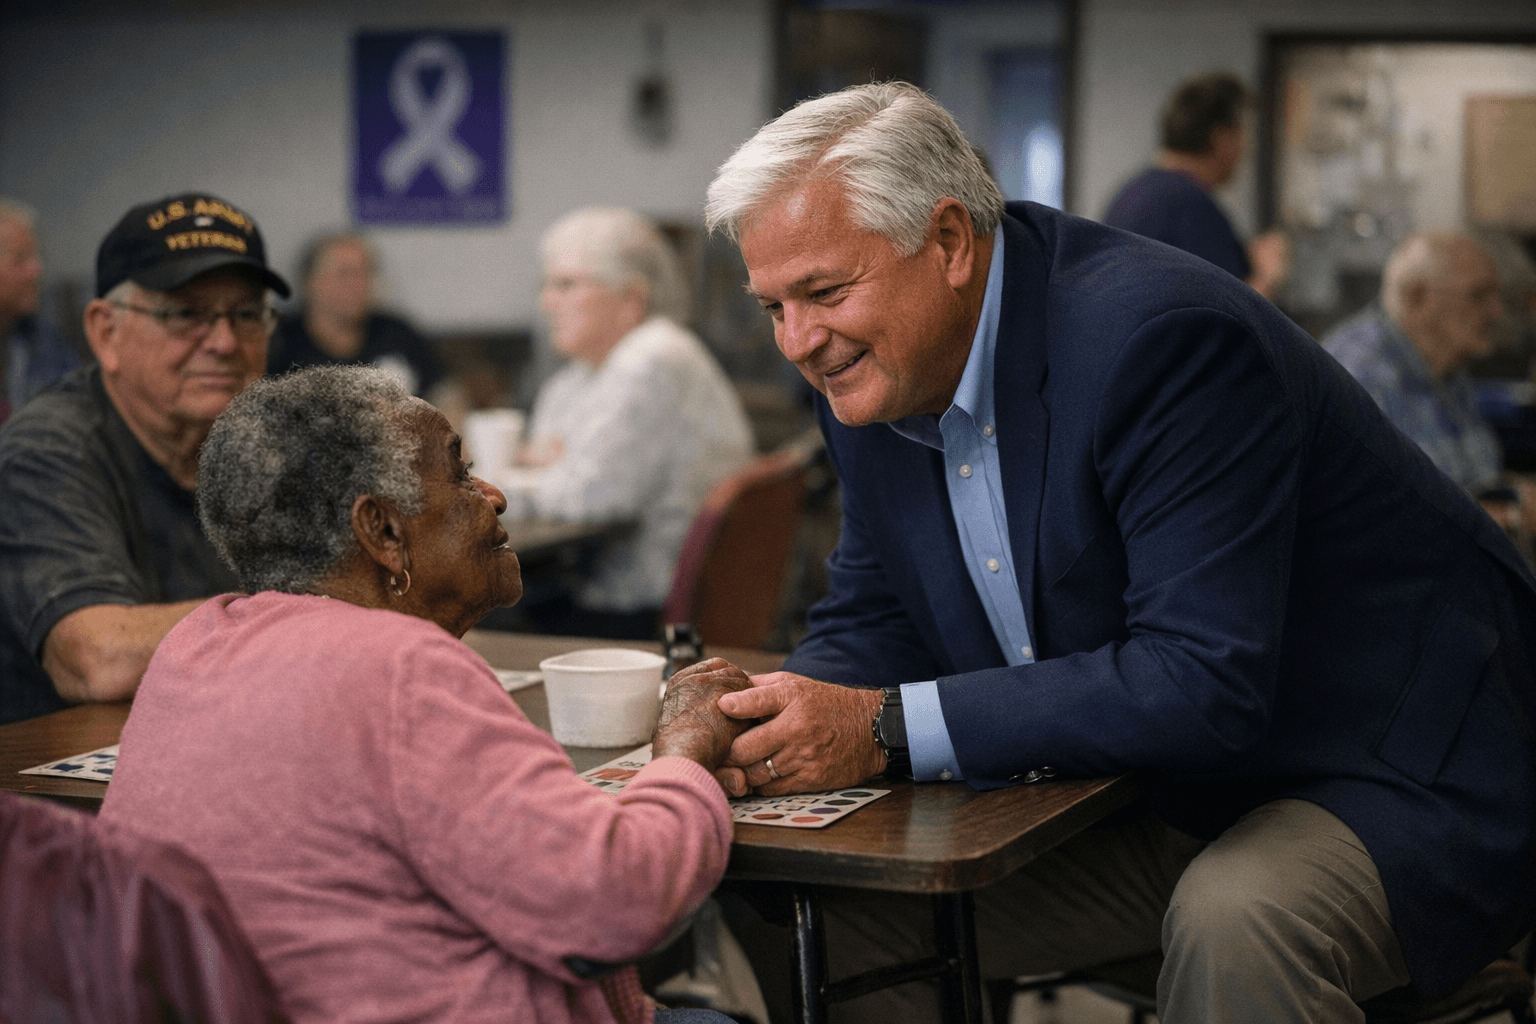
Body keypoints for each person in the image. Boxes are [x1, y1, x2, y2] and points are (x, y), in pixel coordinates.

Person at [699, 82, 1536, 1023]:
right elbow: (875, 620)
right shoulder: (869, 365)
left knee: (1238, 923)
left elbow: (1200, 682)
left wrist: (882, 727)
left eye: (822, 291)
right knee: (780, 906)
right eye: (772, 305)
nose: (799, 343)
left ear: (946, 242)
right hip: (1162, 786)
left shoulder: (1162, 342)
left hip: (1384, 765)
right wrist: (766, 733)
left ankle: (1460, 963)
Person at [97, 365, 749, 1024]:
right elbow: (614, 901)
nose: (494, 495)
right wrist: (686, 753)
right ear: (381, 532)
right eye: (461, 474)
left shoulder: (193, 645)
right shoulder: (398, 668)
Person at [0, 192, 289, 725]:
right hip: (57, 786)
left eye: (247, 313)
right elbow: (97, 659)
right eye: (185, 314)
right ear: (105, 332)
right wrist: (306, 616)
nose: (225, 342)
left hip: (224, 742)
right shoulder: (46, 449)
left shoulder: (269, 442)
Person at [505, 207, 754, 640]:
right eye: (547, 285)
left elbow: (593, 496)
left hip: (643, 608)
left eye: (567, 284)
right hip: (598, 585)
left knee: (475, 617)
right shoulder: (578, 376)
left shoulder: (652, 359)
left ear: (632, 299)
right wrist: (548, 472)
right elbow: (552, 469)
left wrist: (513, 481)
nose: (548, 301)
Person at [1322, 232, 1536, 540]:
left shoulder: (1447, 366)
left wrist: (1515, 491)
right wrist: (1510, 518)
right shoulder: (1360, 376)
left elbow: (1469, 477)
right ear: (1417, 297)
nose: (1496, 312)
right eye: (1479, 295)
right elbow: (1374, 522)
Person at [1103, 71, 1289, 299]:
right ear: (1220, 138)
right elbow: (1226, 321)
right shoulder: (1192, 207)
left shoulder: (1135, 192)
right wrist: (1265, 278)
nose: (1245, 149)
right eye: (1241, 132)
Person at [266, 231, 447, 399]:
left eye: (365, 273)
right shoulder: (280, 342)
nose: (357, 283)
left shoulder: (396, 332)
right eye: (345, 273)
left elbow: (443, 393)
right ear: (311, 281)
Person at [0, 199, 79, 424]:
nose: (37, 270)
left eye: (37, 257)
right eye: (21, 259)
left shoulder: (42, 339)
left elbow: (78, 410)